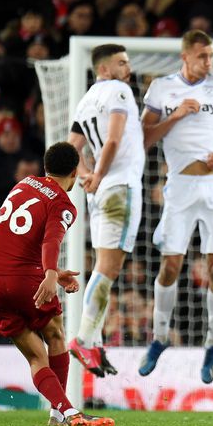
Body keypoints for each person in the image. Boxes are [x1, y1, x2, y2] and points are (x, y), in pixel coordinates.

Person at [0, 142, 114, 426]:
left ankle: (64, 413)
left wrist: (50, 271)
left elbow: (15, 240)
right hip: (23, 280)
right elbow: (52, 239)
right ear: (75, 172)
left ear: (45, 166)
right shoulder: (63, 203)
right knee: (54, 335)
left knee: (35, 357)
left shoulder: (24, 184)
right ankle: (63, 414)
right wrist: (50, 274)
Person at [138, 30, 213, 383]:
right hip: (179, 187)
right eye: (202, 57)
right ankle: (160, 337)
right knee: (170, 266)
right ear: (185, 57)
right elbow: (145, 139)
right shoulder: (162, 89)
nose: (208, 63)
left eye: (211, 56)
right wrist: (177, 114)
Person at [66, 43, 145, 378]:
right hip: (120, 188)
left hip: (98, 196)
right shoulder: (119, 91)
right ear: (104, 68)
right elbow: (112, 140)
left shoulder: (85, 100)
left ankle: (95, 343)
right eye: (121, 62)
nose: (127, 68)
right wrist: (97, 175)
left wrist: (85, 175)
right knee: (108, 269)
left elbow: (71, 148)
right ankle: (83, 339)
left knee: (102, 267)